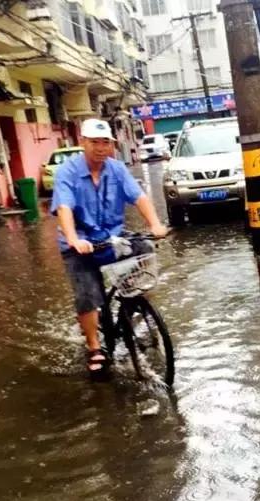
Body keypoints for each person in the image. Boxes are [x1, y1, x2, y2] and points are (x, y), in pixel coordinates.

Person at [51, 118, 167, 374]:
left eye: (105, 142)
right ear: (83, 142)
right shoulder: (67, 172)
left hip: (111, 238)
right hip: (81, 244)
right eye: (95, 142)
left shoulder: (116, 169)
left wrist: (156, 224)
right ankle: (94, 347)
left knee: (144, 249)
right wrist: (73, 239)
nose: (101, 148)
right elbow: (64, 208)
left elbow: (139, 197)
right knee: (87, 295)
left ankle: (135, 303)